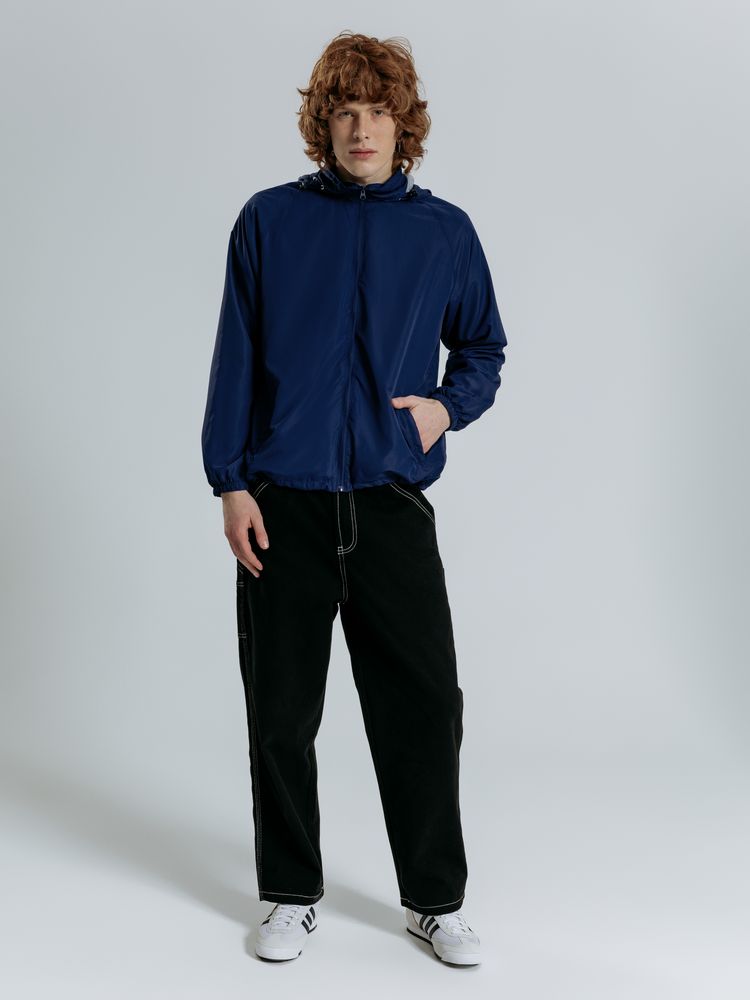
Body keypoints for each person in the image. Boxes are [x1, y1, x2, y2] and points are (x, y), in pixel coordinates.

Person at [201, 31, 508, 966]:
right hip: (282, 503)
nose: (361, 128)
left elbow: (484, 348)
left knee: (425, 706)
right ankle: (291, 893)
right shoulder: (269, 221)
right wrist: (229, 482)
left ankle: (434, 900)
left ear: (402, 124)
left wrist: (443, 409)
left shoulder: (443, 232)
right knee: (281, 712)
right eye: (343, 112)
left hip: (388, 503)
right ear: (322, 124)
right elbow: (235, 358)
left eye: (377, 111)